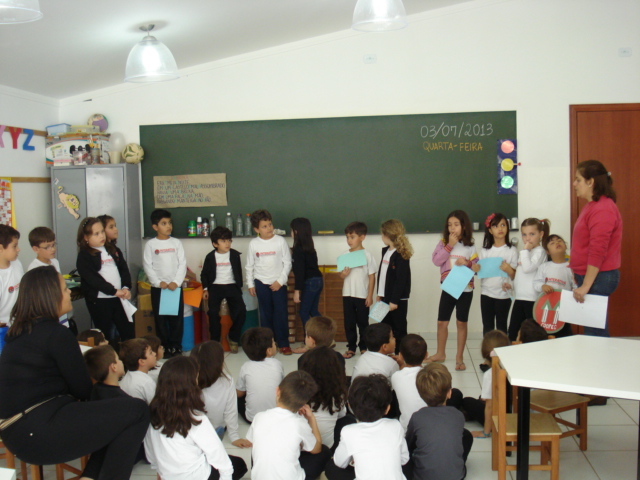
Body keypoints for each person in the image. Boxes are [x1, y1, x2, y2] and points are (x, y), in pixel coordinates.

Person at [0, 266, 149, 480]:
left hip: (17, 433)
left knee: (114, 416)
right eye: (64, 289)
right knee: (137, 411)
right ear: (49, 296)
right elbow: (83, 390)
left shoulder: (20, 332)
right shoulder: (56, 334)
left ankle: (89, 477)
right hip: (38, 429)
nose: (70, 292)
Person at [144, 356, 248, 480]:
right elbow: (218, 455)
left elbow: (150, 452)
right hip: (199, 475)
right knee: (239, 464)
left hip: (168, 475)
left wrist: (160, 471)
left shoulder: (152, 413)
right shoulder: (195, 419)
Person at [571, 159, 623, 337]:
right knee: (592, 331)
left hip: (598, 278)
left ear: (590, 181)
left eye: (578, 179)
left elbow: (597, 251)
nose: (574, 184)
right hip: (592, 277)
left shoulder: (603, 209)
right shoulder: (593, 206)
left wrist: (586, 285)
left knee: (595, 333)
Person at [248, 371, 330, 479]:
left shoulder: (259, 417)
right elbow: (316, 449)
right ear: (304, 403)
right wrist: (311, 418)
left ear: (277, 391)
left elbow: (252, 441)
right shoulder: (299, 423)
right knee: (324, 451)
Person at [325, 374, 409, 480]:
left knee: (331, 467)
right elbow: (404, 459)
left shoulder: (348, 432)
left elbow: (339, 462)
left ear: (350, 407)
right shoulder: (396, 425)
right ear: (388, 408)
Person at [405, 363, 473, 480]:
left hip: (422, 477)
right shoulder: (458, 415)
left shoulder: (417, 417)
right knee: (467, 436)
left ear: (421, 395)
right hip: (456, 477)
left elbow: (408, 444)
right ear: (449, 393)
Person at [429, 210, 478, 370]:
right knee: (442, 322)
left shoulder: (470, 245)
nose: (452, 228)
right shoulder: (443, 243)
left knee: (461, 323)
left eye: (456, 224)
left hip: (466, 289)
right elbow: (436, 261)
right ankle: (440, 354)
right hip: (449, 287)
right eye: (450, 225)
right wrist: (449, 245)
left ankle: (459, 358)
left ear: (464, 226)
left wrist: (467, 263)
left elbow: (477, 267)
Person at [76, 217, 134, 341]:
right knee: (108, 335)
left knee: (127, 332)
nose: (101, 235)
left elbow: (124, 270)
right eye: (96, 234)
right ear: (86, 237)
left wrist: (125, 287)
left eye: (102, 231)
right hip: (100, 301)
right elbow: (94, 280)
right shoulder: (84, 256)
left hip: (119, 298)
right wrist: (113, 291)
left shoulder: (113, 249)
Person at [245, 209, 293, 354]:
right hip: (261, 282)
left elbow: (287, 263)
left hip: (278, 283)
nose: (269, 228)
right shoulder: (254, 244)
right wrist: (250, 284)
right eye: (264, 226)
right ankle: (268, 344)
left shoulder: (280, 241)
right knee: (265, 315)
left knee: (281, 313)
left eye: (270, 224)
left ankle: (283, 343)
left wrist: (280, 281)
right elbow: (249, 265)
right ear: (256, 229)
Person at [190, 341, 251, 448]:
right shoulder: (227, 381)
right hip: (218, 427)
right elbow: (231, 411)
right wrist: (234, 437)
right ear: (219, 364)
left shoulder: (189, 382)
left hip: (194, 429)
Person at [143, 209, 187, 357]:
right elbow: (148, 266)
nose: (168, 226)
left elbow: (182, 264)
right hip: (159, 289)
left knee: (176, 320)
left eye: (169, 223)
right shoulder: (150, 244)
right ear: (155, 227)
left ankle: (176, 347)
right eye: (164, 223)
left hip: (175, 288)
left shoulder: (176, 243)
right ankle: (164, 348)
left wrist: (176, 282)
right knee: (160, 320)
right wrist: (157, 282)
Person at [201, 226, 246, 353]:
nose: (227, 243)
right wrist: (205, 289)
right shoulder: (210, 257)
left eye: (229, 240)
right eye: (223, 241)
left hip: (232, 286)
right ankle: (215, 341)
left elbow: (238, 272)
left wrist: (239, 287)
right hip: (215, 286)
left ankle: (233, 337)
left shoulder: (235, 255)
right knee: (213, 313)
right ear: (215, 244)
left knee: (241, 311)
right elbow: (204, 274)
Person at [474, 213, 518, 335]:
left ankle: (502, 347)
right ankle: (488, 348)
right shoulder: (485, 251)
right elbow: (480, 273)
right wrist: (476, 269)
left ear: (507, 228)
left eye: (503, 225)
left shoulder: (512, 251)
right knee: (487, 327)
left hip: (504, 294)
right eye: (496, 226)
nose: (500, 228)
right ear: (490, 230)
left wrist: (509, 269)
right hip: (486, 293)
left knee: (501, 326)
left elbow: (515, 276)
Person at [461, 330, 510, 438]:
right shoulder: (513, 366)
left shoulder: (490, 374)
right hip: (515, 414)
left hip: (498, 418)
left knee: (467, 401)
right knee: (481, 398)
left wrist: (485, 432)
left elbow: (489, 406)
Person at [507, 218, 550, 341]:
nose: (527, 238)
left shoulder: (540, 252)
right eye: (524, 235)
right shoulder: (525, 252)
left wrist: (525, 250)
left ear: (541, 234)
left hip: (532, 299)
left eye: (532, 234)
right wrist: (511, 285)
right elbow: (520, 273)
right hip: (520, 297)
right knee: (513, 332)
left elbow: (527, 268)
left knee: (532, 334)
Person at [340, 221, 377, 358]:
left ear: (362, 237)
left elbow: (372, 276)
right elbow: (341, 275)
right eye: (347, 237)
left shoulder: (367, 255)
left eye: (352, 237)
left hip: (362, 295)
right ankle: (351, 347)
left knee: (363, 323)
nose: (349, 240)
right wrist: (343, 274)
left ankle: (363, 346)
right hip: (347, 294)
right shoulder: (344, 255)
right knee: (349, 322)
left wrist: (370, 295)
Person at [299, 346, 348, 448]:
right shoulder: (338, 395)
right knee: (348, 419)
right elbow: (342, 415)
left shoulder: (297, 393)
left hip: (299, 448)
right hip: (327, 447)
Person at [377, 219, 413, 352]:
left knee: (399, 329)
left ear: (388, 235)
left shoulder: (401, 254)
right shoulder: (386, 251)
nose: (381, 237)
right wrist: (379, 294)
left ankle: (401, 354)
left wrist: (394, 300)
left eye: (382, 234)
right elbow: (383, 276)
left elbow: (400, 280)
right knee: (384, 328)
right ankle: (387, 353)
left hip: (396, 300)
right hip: (385, 297)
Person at [236, 327, 284, 423]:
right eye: (273, 342)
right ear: (269, 351)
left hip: (253, 419)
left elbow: (239, 393)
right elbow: (282, 387)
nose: (275, 344)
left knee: (238, 398)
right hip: (277, 418)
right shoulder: (277, 364)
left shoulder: (245, 367)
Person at [290, 217, 324, 354]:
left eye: (291, 230)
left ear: (296, 231)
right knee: (313, 311)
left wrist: (297, 290)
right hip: (318, 280)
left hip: (309, 282)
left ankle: (308, 343)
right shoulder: (310, 247)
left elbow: (300, 273)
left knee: (304, 312)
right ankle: (326, 338)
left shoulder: (298, 249)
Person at [532, 234, 575, 337]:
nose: (557, 243)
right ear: (547, 251)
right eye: (552, 243)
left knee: (564, 333)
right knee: (545, 333)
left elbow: (575, 286)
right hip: (545, 307)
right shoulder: (544, 267)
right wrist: (542, 286)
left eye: (559, 241)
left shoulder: (571, 268)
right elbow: (536, 283)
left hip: (563, 308)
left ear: (565, 246)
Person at [119, 337, 157, 404]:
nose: (154, 354)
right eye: (151, 352)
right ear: (142, 361)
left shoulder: (125, 379)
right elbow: (157, 406)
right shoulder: (146, 383)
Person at [0, 225, 23, 327]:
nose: (18, 249)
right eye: (14, 246)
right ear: (1, 248)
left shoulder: (17, 263)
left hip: (19, 324)